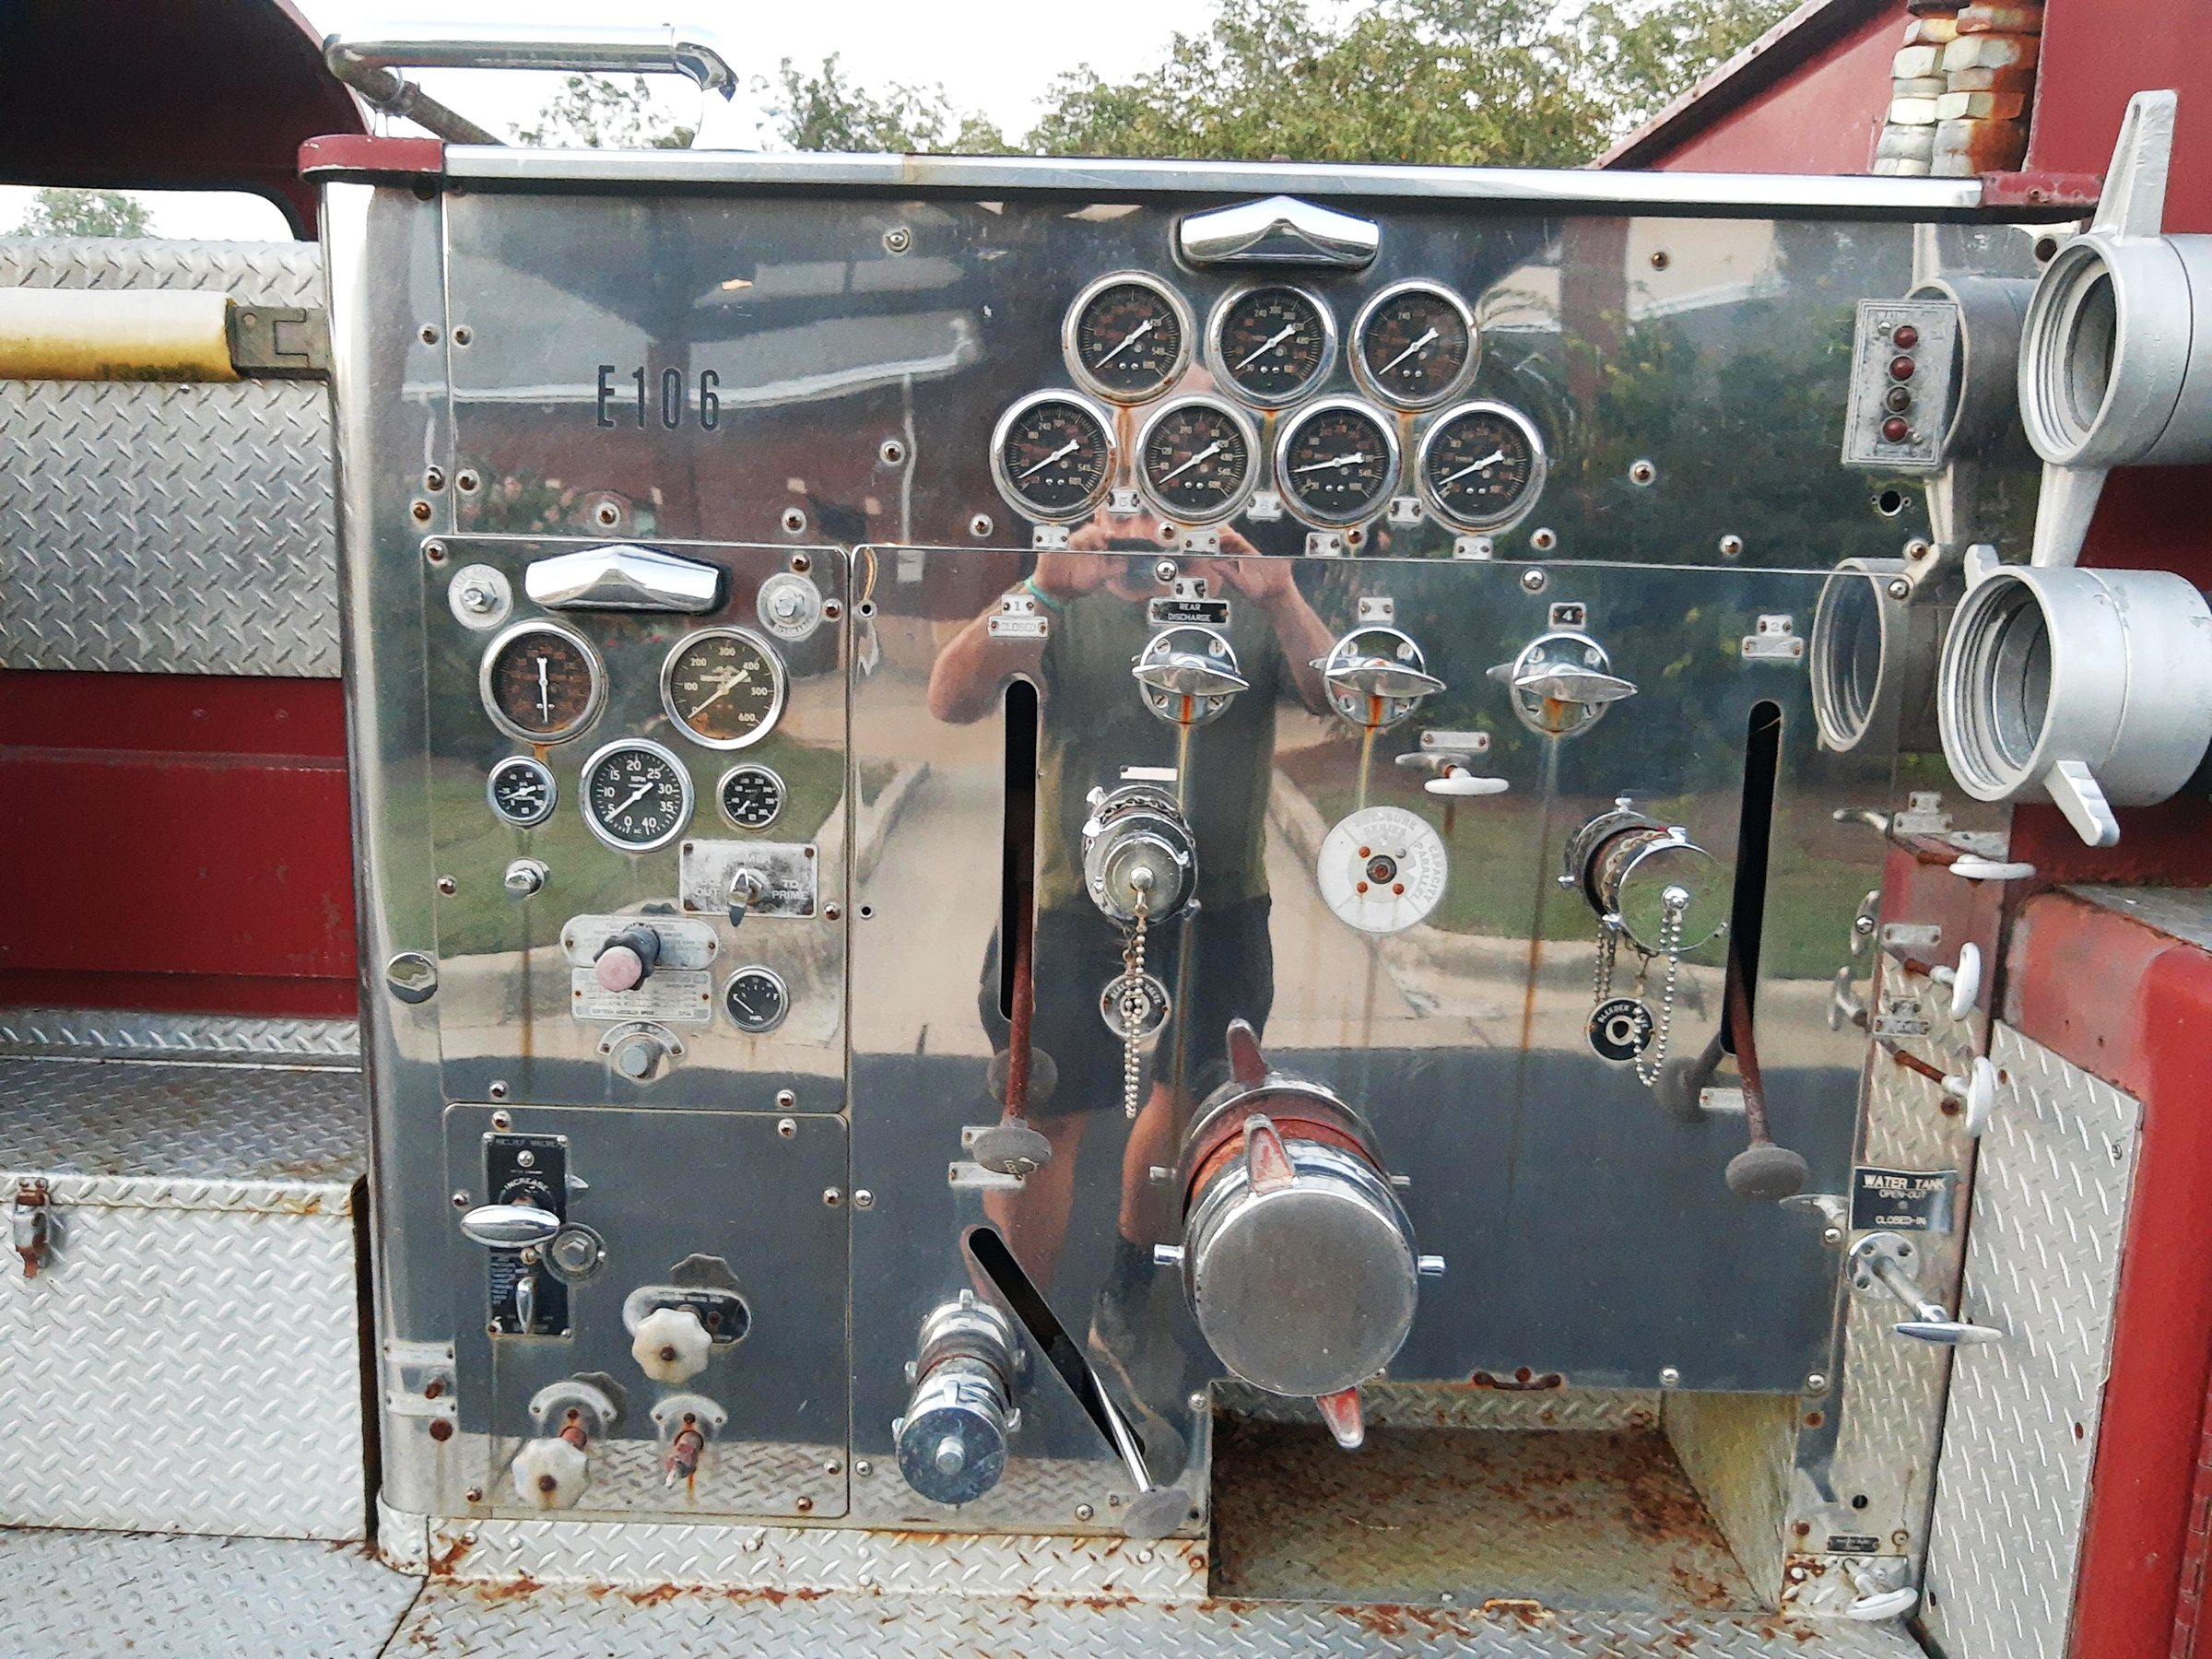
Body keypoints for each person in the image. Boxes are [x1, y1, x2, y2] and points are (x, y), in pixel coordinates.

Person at [926, 506, 1335, 1422]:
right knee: (1042, 1112)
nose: (1159, 527)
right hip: (1074, 902)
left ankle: (1127, 1290)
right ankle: (1012, 1330)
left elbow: (1337, 697)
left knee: (1188, 1100)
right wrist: (1042, 589)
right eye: (1137, 497)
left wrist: (1282, 598)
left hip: (1219, 900)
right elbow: (950, 697)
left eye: (1188, 493)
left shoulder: (1251, 600)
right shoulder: (1066, 599)